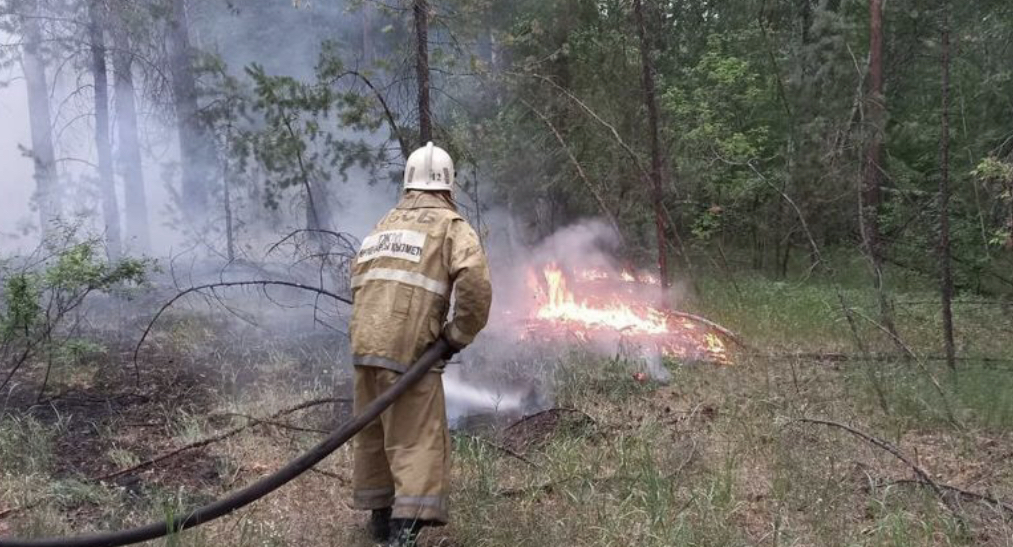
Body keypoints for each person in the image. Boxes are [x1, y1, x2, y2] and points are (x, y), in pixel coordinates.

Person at [349, 142, 492, 546]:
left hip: (365, 343)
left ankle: (379, 518)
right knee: (415, 438)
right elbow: (476, 287)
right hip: (410, 351)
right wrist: (455, 337)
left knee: (374, 432)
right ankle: (402, 533)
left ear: (408, 182)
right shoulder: (451, 228)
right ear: (448, 185)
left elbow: (357, 278)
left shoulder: (383, 225)